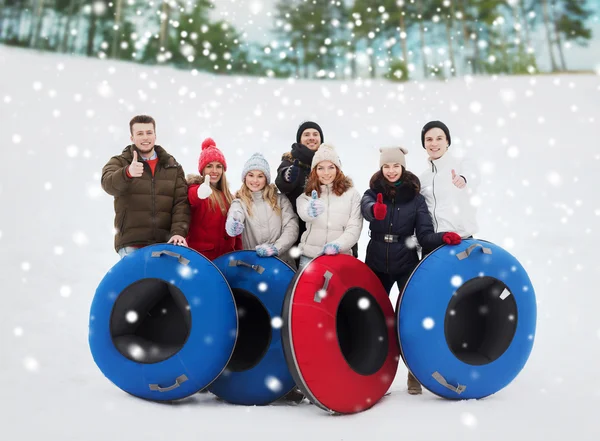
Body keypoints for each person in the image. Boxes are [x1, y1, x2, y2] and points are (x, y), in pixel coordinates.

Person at [361, 146, 462, 395]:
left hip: (406, 261)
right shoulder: (372, 191)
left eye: (396, 165)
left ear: (403, 167)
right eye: (386, 166)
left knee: (411, 320)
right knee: (370, 318)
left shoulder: (416, 199)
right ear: (381, 168)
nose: (391, 170)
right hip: (375, 262)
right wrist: (375, 210)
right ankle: (374, 372)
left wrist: (442, 238)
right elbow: (365, 206)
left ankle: (414, 372)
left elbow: (424, 235)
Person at [101, 115, 190, 258]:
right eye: (140, 133)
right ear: (132, 138)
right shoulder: (120, 162)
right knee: (135, 281)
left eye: (149, 132)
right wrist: (127, 173)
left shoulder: (172, 167)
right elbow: (107, 184)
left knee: (163, 281)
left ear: (155, 135)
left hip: (165, 245)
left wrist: (178, 232)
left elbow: (181, 203)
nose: (145, 137)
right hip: (132, 245)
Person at [225, 153, 299, 268]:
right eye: (251, 175)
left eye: (260, 176)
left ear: (266, 179)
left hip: (283, 264)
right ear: (245, 177)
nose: (255, 180)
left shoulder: (280, 200)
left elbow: (292, 227)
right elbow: (235, 214)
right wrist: (233, 224)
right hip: (253, 266)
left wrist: (276, 248)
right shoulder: (239, 203)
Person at [296, 144, 363, 269]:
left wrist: (337, 245)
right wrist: (310, 211)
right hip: (309, 258)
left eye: (331, 167)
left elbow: (354, 227)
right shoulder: (306, 196)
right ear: (314, 171)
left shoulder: (352, 194)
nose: (326, 173)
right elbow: (303, 213)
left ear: (338, 169)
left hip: (340, 257)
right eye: (320, 168)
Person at [419, 121, 479, 249]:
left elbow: (474, 177)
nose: (434, 143)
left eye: (439, 138)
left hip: (461, 242)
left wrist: (463, 179)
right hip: (435, 244)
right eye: (429, 139)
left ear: (447, 142)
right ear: (424, 144)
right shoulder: (423, 178)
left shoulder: (461, 165)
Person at [186, 138, 242, 260]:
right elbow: (191, 198)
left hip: (226, 258)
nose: (214, 171)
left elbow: (237, 236)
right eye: (209, 166)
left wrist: (239, 253)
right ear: (202, 169)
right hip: (202, 259)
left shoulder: (229, 197)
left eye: (219, 166)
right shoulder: (196, 189)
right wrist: (199, 193)